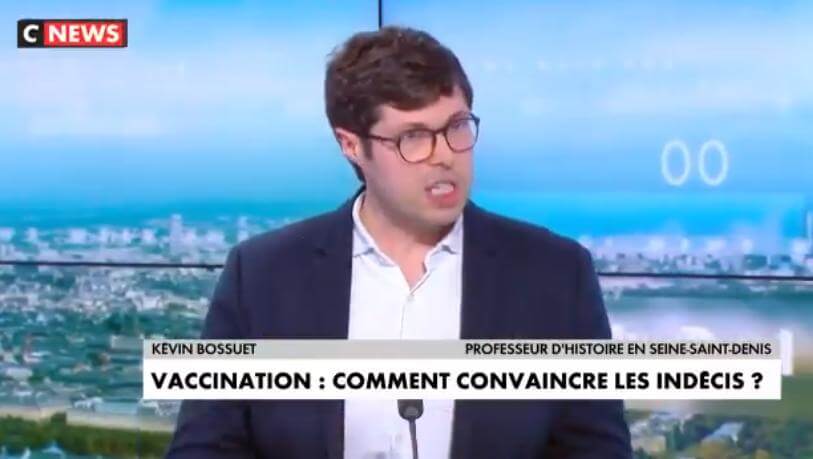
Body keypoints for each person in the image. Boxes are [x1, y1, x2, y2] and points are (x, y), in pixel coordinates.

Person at [166, 26, 631, 459]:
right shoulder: (261, 275)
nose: (444, 156)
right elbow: (205, 449)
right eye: (414, 137)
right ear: (351, 145)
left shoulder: (556, 275)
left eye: (457, 126)